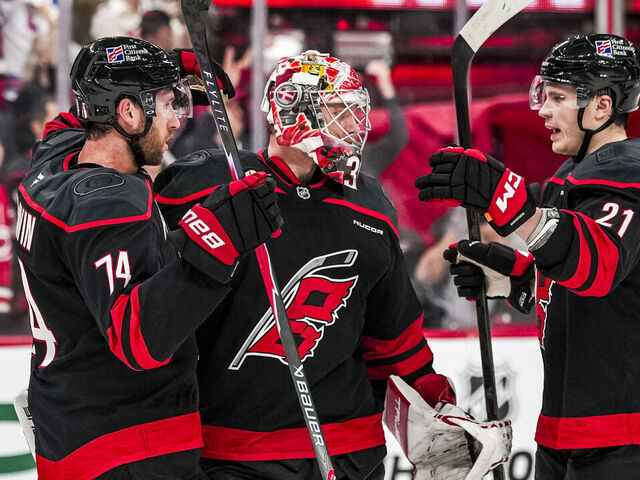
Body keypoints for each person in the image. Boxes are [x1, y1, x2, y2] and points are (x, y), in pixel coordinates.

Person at [154, 50, 511, 480]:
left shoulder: (370, 204)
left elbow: (393, 335)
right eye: (339, 112)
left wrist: (438, 406)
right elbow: (153, 291)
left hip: (351, 451)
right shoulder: (206, 182)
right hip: (235, 449)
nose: (355, 126)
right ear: (291, 113)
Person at [15, 36, 282, 480]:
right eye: (166, 102)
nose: (177, 118)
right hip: (128, 447)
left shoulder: (52, 163)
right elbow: (137, 339)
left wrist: (166, 65)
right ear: (128, 112)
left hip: (72, 431)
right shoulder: (110, 205)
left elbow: (76, 108)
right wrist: (218, 243)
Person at [415, 33, 640, 479]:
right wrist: (519, 282)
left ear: (601, 106)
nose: (542, 109)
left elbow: (601, 267)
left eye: (557, 97)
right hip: (564, 430)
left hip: (621, 436)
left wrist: (512, 204)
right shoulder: (570, 177)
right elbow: (582, 293)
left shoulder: (628, 173)